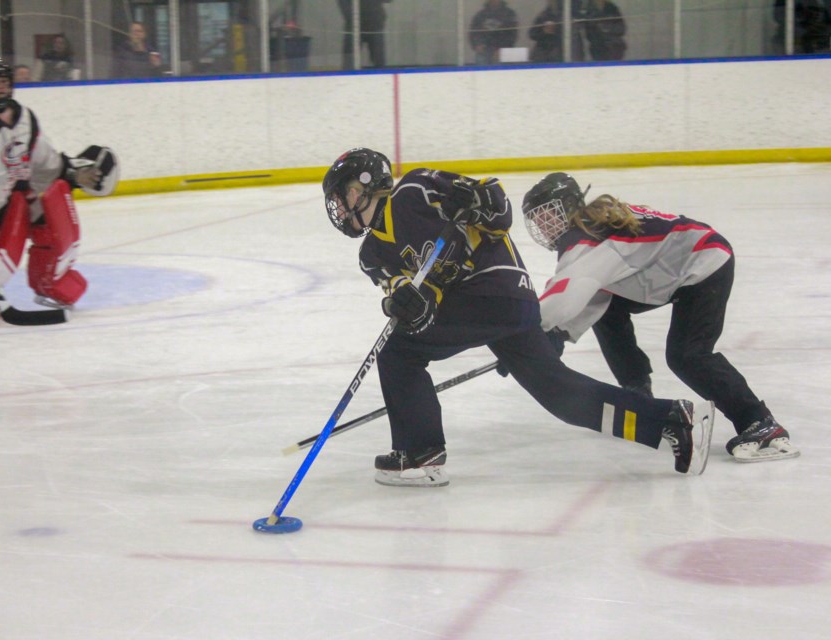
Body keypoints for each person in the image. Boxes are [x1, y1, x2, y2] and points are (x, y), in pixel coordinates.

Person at [321, 148, 715, 487]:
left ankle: (419, 453)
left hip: (492, 289)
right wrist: (405, 302)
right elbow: (402, 293)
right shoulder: (371, 254)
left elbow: (496, 207)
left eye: (341, 196)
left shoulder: (414, 188)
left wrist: (482, 202)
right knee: (558, 393)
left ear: (360, 188)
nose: (338, 208)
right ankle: (672, 421)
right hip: (502, 305)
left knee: (398, 354)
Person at [521, 172, 800, 463]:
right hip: (669, 270)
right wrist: (557, 332)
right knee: (608, 310)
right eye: (536, 219)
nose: (542, 224)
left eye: (547, 214)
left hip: (704, 264)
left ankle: (760, 423)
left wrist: (529, 333)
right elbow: (594, 292)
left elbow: (568, 290)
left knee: (688, 355)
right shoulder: (593, 225)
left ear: (568, 206)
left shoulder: (589, 238)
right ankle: (636, 388)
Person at [0, 58, 118, 323]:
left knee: (55, 217)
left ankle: (52, 284)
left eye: (3, 83)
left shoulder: (25, 119)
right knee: (4, 256)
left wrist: (73, 173)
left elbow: (44, 161)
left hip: (16, 195)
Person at [338, 0, 391, 69]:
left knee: (379, 60)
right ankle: (348, 77)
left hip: (374, 24)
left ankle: (382, 77)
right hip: (354, 26)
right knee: (349, 62)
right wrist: (350, 17)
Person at [469, 0, 519, 65]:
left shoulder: (509, 14)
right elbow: (474, 32)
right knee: (481, 68)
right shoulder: (481, 14)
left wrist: (502, 49)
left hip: (503, 52)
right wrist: (477, 44)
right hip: (485, 51)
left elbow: (512, 34)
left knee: (502, 72)